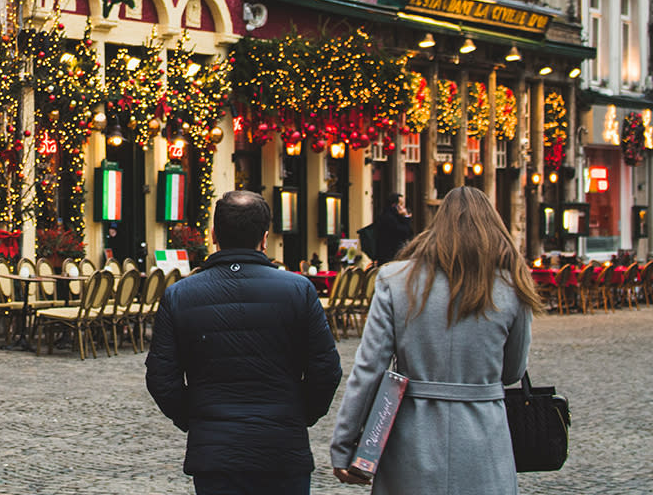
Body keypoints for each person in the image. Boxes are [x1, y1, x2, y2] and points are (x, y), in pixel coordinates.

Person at [330, 186, 540, 493]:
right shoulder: (513, 286)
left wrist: (345, 444)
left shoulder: (396, 280)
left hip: (412, 435)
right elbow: (512, 372)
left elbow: (368, 369)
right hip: (483, 437)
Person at [146, 190, 342, 494]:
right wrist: (298, 414)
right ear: (265, 239)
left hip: (215, 451)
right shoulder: (299, 290)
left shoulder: (180, 295)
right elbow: (326, 369)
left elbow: (161, 378)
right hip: (282, 448)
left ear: (213, 235)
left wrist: (197, 419)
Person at [374, 193, 413, 263]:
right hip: (390, 255)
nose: (403, 207)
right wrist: (406, 217)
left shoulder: (390, 216)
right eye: (400, 204)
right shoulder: (389, 218)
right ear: (394, 205)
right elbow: (405, 232)